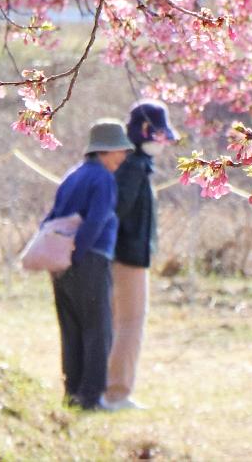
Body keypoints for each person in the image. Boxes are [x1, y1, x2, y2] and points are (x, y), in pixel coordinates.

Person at [44, 118, 131, 410]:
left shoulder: (72, 176)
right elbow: (96, 220)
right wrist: (78, 254)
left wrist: (58, 257)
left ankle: (72, 392)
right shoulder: (103, 179)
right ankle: (91, 397)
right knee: (98, 329)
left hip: (60, 264)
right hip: (90, 260)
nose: (123, 157)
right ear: (105, 151)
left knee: (71, 328)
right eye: (120, 150)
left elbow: (51, 219)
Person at [104, 99, 179, 410]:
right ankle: (117, 392)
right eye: (159, 136)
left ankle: (110, 389)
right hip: (128, 257)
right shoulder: (134, 168)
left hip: (123, 255)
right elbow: (118, 211)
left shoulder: (132, 166)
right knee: (130, 322)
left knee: (120, 321)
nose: (163, 145)